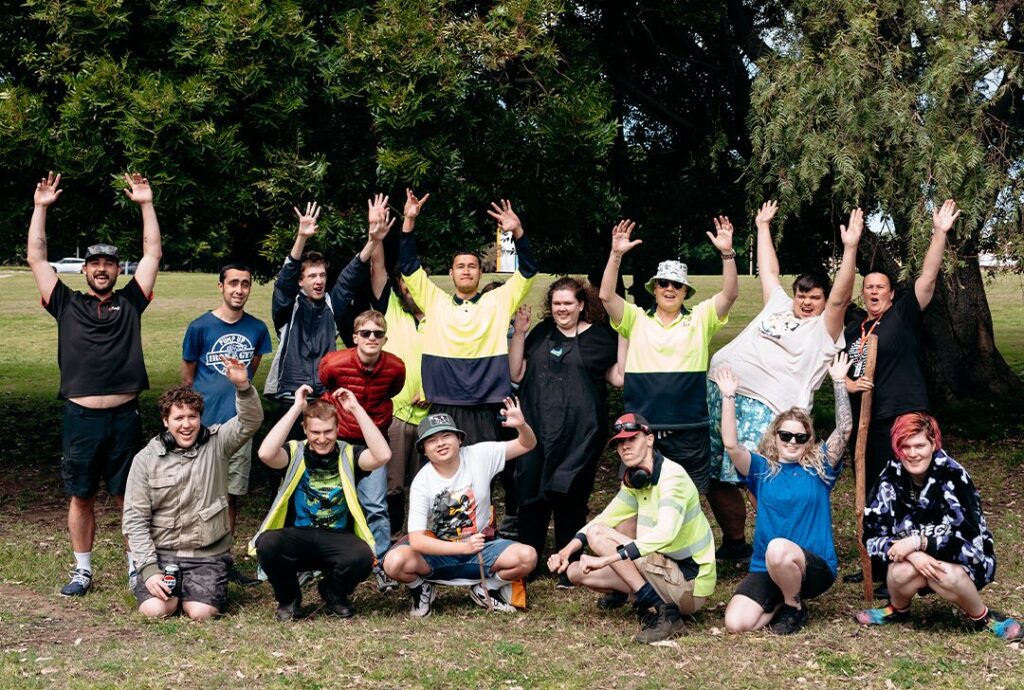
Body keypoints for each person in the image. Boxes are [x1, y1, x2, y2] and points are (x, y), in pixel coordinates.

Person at [27, 171, 162, 597]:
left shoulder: (131, 301)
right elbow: (36, 258)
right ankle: (83, 570)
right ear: (85, 270)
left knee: (129, 498)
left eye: (109, 264)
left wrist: (146, 204)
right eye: (95, 264)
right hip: (80, 418)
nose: (102, 269)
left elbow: (153, 253)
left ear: (117, 269)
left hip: (124, 417)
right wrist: (40, 208)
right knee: (81, 496)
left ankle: (135, 568)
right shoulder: (65, 303)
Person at [706, 202, 863, 562]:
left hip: (768, 406)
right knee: (716, 474)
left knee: (763, 478)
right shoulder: (778, 304)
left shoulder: (824, 329)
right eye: (802, 295)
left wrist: (851, 247)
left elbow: (841, 297)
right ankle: (736, 544)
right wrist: (762, 226)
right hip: (721, 392)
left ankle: (782, 546)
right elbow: (769, 271)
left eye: (815, 298)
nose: (806, 302)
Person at [397, 193, 538, 534]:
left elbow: (529, 270)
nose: (466, 270)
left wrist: (518, 232)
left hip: (485, 406)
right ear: (451, 273)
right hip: (444, 406)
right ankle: (441, 535)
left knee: (485, 477)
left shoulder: (498, 301)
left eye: (472, 266)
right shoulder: (434, 300)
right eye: (460, 266)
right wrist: (409, 221)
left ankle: (485, 532)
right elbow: (408, 265)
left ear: (480, 271)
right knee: (441, 474)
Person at [842, 199, 959, 586]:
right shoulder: (855, 329)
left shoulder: (903, 316)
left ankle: (917, 561)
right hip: (869, 423)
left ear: (891, 294)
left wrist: (939, 233)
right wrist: (848, 384)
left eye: (880, 287)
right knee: (876, 491)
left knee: (913, 487)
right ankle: (877, 564)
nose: (874, 291)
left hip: (905, 415)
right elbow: (841, 371)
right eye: (868, 287)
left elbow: (927, 278)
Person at [712, 355, 852, 635]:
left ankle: (794, 606)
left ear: (808, 441)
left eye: (800, 437)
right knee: (736, 624)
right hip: (767, 568)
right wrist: (728, 396)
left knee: (778, 548)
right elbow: (731, 445)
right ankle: (779, 600)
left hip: (813, 568)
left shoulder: (819, 468)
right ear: (774, 436)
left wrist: (839, 382)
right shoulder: (761, 469)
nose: (792, 441)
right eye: (786, 435)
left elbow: (845, 429)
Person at [548, 413, 717, 644]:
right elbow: (605, 518)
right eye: (619, 442)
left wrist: (607, 560)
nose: (625, 446)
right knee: (575, 571)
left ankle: (662, 612)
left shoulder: (672, 478)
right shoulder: (637, 479)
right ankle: (639, 596)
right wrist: (566, 551)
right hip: (662, 572)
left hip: (689, 586)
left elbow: (665, 534)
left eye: (632, 439)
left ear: (650, 439)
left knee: (599, 535)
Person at [599, 217, 738, 495]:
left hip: (689, 431)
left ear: (685, 291)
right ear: (654, 289)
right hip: (640, 431)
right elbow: (606, 296)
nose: (669, 288)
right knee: (639, 500)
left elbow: (730, 294)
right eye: (663, 283)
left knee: (689, 500)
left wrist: (727, 254)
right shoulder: (635, 319)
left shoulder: (701, 318)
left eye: (677, 284)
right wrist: (615, 255)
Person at [855, 413, 1023, 641]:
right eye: (905, 447)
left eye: (919, 446)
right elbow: (871, 537)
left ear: (933, 444)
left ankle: (984, 617)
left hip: (961, 565)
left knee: (945, 576)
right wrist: (914, 555)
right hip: (911, 561)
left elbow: (972, 546)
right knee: (899, 572)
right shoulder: (889, 478)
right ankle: (897, 610)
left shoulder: (955, 476)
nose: (912, 454)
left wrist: (920, 543)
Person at [122, 358, 264, 620]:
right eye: (178, 418)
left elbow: (250, 421)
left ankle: (199, 592)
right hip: (161, 554)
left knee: (201, 613)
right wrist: (149, 571)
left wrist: (243, 387)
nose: (186, 424)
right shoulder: (145, 459)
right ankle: (157, 586)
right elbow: (134, 519)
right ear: (166, 421)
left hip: (207, 555)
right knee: (156, 610)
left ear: (200, 418)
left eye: (192, 417)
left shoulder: (218, 443)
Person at [381, 400, 539, 617]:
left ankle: (486, 588)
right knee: (393, 562)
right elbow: (417, 541)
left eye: (446, 436)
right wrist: (463, 548)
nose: (440, 444)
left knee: (527, 556)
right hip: (437, 555)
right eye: (432, 440)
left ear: (459, 439)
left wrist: (521, 425)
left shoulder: (480, 455)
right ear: (424, 450)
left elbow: (527, 444)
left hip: (481, 548)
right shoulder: (422, 482)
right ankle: (421, 588)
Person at [508, 278, 619, 578]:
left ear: (581, 305)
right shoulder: (541, 333)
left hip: (581, 432)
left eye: (568, 303)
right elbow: (516, 373)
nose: (562, 309)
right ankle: (528, 562)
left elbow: (618, 377)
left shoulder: (599, 337)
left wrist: (625, 334)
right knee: (531, 493)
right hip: (537, 427)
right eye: (556, 303)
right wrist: (520, 334)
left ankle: (567, 564)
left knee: (571, 494)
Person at [251, 385, 392, 621]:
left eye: (328, 431)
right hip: (298, 535)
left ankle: (333, 593)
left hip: (337, 536)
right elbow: (265, 453)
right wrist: (297, 407)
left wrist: (356, 409)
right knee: (268, 543)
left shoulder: (349, 453)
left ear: (338, 429)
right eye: (315, 432)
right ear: (305, 429)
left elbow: (383, 455)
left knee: (363, 556)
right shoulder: (294, 452)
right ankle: (289, 599)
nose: (322, 438)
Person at [263, 199, 389, 433]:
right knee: (291, 451)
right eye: (312, 276)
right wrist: (301, 237)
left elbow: (350, 276)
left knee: (323, 446)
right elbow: (284, 282)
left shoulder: (333, 304)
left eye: (322, 275)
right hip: (290, 394)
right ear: (301, 281)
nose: (319, 281)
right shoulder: (287, 307)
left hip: (324, 394)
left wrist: (373, 241)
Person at [182, 263, 272, 586]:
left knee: (231, 495)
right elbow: (188, 378)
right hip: (205, 426)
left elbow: (250, 372)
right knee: (197, 494)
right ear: (220, 286)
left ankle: (223, 560)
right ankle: (191, 558)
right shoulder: (199, 327)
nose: (239, 289)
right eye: (233, 283)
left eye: (245, 283)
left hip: (238, 426)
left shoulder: (257, 329)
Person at [318, 308, 406, 587]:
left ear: (385, 339)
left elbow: (393, 390)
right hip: (340, 439)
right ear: (355, 337)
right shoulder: (334, 363)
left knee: (375, 504)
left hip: (373, 440)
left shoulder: (395, 367)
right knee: (330, 501)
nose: (371, 338)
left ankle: (381, 562)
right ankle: (326, 560)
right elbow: (325, 385)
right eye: (365, 333)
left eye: (378, 334)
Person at [368, 190, 431, 543]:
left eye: (414, 282)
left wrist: (434, 389)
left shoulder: (438, 314)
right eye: (404, 282)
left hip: (430, 415)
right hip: (394, 414)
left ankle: (419, 538)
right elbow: (377, 267)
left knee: (424, 483)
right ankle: (392, 538)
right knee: (392, 484)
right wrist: (375, 233)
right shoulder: (390, 307)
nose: (409, 288)